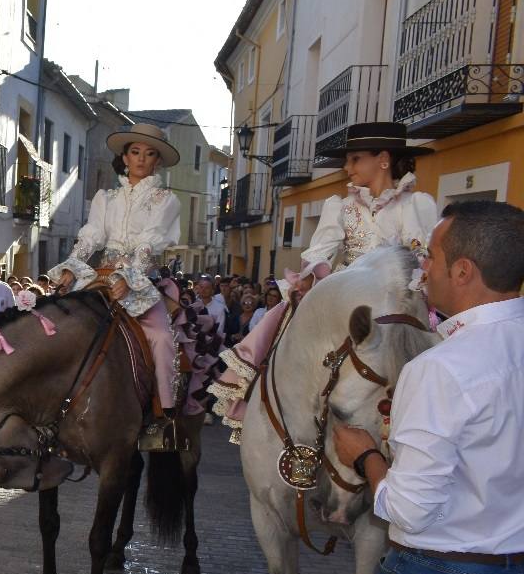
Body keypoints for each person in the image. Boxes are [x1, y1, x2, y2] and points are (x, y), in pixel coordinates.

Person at [333, 201, 524, 574]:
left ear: (464, 271)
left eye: (433, 258)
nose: (424, 272)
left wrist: (367, 456)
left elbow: (407, 509)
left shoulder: (440, 368)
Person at [209, 122, 437, 443]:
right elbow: (319, 251)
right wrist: (320, 274)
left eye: (355, 159)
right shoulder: (340, 206)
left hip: (400, 304)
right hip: (346, 296)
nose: (347, 167)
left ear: (383, 159)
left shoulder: (417, 205)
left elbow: (425, 258)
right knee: (285, 327)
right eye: (347, 160)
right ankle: (274, 409)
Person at [49, 123, 183, 415]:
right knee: (61, 323)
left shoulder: (166, 200)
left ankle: (164, 413)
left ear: (157, 161)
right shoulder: (106, 198)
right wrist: (72, 267)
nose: (141, 158)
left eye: (149, 153)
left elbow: (149, 243)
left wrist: (129, 278)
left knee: (161, 337)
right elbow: (92, 236)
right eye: (135, 152)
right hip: (101, 277)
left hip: (141, 281)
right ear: (124, 157)